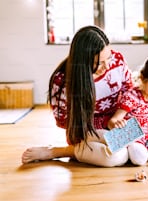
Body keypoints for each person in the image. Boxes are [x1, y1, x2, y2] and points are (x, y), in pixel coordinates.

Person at [21, 25, 134, 167]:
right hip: (86, 129)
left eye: (108, 58)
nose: (107, 66)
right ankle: (58, 152)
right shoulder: (62, 80)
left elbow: (131, 92)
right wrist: (98, 127)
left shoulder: (117, 60)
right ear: (83, 62)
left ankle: (83, 152)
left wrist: (117, 117)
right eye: (98, 63)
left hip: (117, 121)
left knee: (134, 148)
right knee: (116, 156)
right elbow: (63, 121)